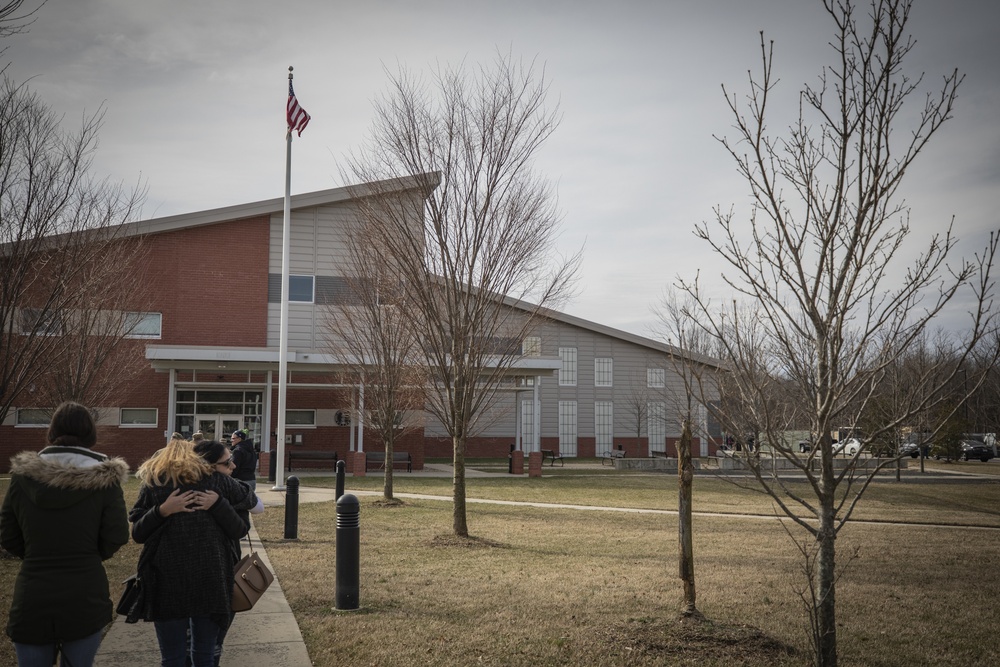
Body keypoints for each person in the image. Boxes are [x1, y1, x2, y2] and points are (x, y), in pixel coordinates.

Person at [1, 401, 130, 667]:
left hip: (33, 590)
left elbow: (8, 532)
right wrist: (89, 555)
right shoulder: (106, 478)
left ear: (52, 430)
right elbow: (117, 534)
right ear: (90, 433)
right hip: (85, 591)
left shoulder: (23, 476)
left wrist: (37, 554)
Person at [129, 437, 258, 667]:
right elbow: (250, 502)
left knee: (174, 659)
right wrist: (164, 510)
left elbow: (138, 533)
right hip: (209, 581)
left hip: (168, 582)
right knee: (204, 656)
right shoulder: (217, 482)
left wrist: (162, 511)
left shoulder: (156, 484)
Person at [192, 439, 264, 667]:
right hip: (199, 577)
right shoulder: (181, 489)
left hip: (222, 573)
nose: (233, 466)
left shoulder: (232, 489)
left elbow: (254, 512)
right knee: (202, 643)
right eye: (227, 463)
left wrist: (221, 503)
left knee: (209, 641)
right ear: (208, 467)